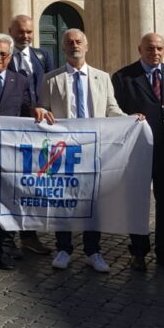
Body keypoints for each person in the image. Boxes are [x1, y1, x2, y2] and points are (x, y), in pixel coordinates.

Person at [39, 29, 125, 273]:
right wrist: (41, 112)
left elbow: (112, 110)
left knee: (93, 201)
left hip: (94, 150)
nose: (74, 45)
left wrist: (131, 121)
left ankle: (92, 250)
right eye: (69, 42)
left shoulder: (102, 77)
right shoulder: (50, 79)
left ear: (87, 46)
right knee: (62, 200)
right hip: (63, 150)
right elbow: (43, 110)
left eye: (78, 41)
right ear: (63, 48)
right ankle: (63, 248)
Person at [0, 33, 52, 271]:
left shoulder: (20, 80)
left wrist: (36, 111)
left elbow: (26, 108)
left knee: (9, 201)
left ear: (10, 56)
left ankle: (6, 248)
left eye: (3, 54)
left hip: (9, 152)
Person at [111, 32, 164, 273]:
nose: (155, 53)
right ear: (139, 49)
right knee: (137, 203)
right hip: (137, 152)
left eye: (159, 48)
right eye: (150, 49)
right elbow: (115, 113)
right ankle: (139, 253)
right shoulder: (123, 77)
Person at [7, 14, 54, 256]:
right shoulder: (4, 56)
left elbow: (50, 85)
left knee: (31, 183)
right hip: (14, 126)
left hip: (38, 129)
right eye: (20, 32)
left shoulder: (43, 56)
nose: (24, 36)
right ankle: (6, 237)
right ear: (11, 31)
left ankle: (29, 235)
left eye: (28, 32)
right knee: (10, 181)